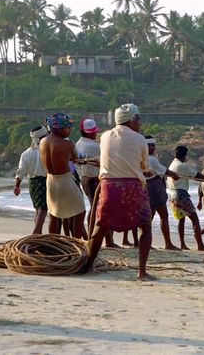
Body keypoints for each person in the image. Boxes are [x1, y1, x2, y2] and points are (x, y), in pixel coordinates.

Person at [84, 104, 154, 280]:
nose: (140, 122)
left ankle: (89, 266)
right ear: (130, 120)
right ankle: (142, 272)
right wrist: (146, 171)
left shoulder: (105, 136)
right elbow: (145, 167)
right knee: (145, 226)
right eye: (138, 118)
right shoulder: (140, 139)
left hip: (108, 187)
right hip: (132, 187)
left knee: (100, 227)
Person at [39, 113, 87, 238]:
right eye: (67, 128)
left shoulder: (43, 142)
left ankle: (53, 242)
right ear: (58, 128)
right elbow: (75, 159)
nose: (69, 130)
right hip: (65, 179)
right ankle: (76, 241)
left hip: (50, 180)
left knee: (54, 214)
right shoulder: (68, 143)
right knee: (80, 211)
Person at [75, 118, 118, 248]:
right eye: (93, 132)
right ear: (89, 132)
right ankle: (106, 240)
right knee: (100, 209)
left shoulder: (78, 143)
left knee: (95, 208)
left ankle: (91, 237)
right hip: (95, 179)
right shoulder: (94, 146)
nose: (95, 134)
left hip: (85, 177)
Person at [166, 145, 204, 251]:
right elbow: (196, 175)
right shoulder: (181, 165)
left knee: (181, 219)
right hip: (181, 195)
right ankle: (200, 245)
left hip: (172, 195)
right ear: (184, 156)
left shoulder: (172, 165)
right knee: (195, 219)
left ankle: (183, 244)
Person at [145, 135, 180, 250]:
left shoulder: (139, 157)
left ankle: (146, 243)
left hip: (145, 187)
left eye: (154, 145)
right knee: (163, 216)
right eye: (151, 146)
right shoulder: (151, 159)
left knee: (149, 216)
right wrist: (174, 175)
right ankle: (168, 243)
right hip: (154, 188)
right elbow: (163, 170)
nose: (154, 148)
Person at [13, 126, 49, 234]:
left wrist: (17, 185)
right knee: (43, 209)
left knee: (38, 209)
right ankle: (36, 233)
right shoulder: (47, 150)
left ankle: (38, 233)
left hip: (32, 183)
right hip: (44, 181)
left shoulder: (26, 153)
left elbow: (21, 171)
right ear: (43, 136)